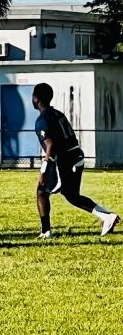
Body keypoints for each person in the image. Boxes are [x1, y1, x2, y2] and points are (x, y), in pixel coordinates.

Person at [32, 82, 119, 238]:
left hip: (65, 159)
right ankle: (107, 216)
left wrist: (44, 169)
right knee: (71, 195)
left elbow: (50, 145)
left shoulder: (42, 120)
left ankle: (45, 231)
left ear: (36, 98)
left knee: (42, 192)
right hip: (76, 154)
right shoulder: (58, 114)